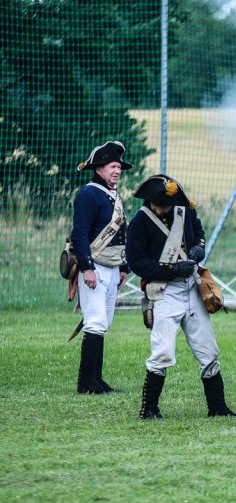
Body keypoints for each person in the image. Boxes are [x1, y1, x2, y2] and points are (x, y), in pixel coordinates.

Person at [126, 174, 236, 419]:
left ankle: (217, 407)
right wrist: (170, 270)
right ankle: (149, 409)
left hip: (191, 287)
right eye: (156, 204)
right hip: (165, 291)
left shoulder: (185, 213)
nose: (159, 208)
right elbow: (136, 262)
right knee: (162, 351)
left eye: (164, 205)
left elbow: (199, 234)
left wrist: (199, 248)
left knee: (208, 350)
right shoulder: (140, 224)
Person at [71, 141, 132, 394]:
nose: (117, 171)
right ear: (98, 169)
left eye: (118, 167)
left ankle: (96, 379)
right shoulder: (88, 194)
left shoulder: (114, 196)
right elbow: (80, 234)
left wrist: (124, 267)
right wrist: (86, 268)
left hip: (112, 266)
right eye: (112, 166)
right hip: (94, 266)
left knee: (103, 321)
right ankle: (86, 382)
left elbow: (122, 233)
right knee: (95, 321)